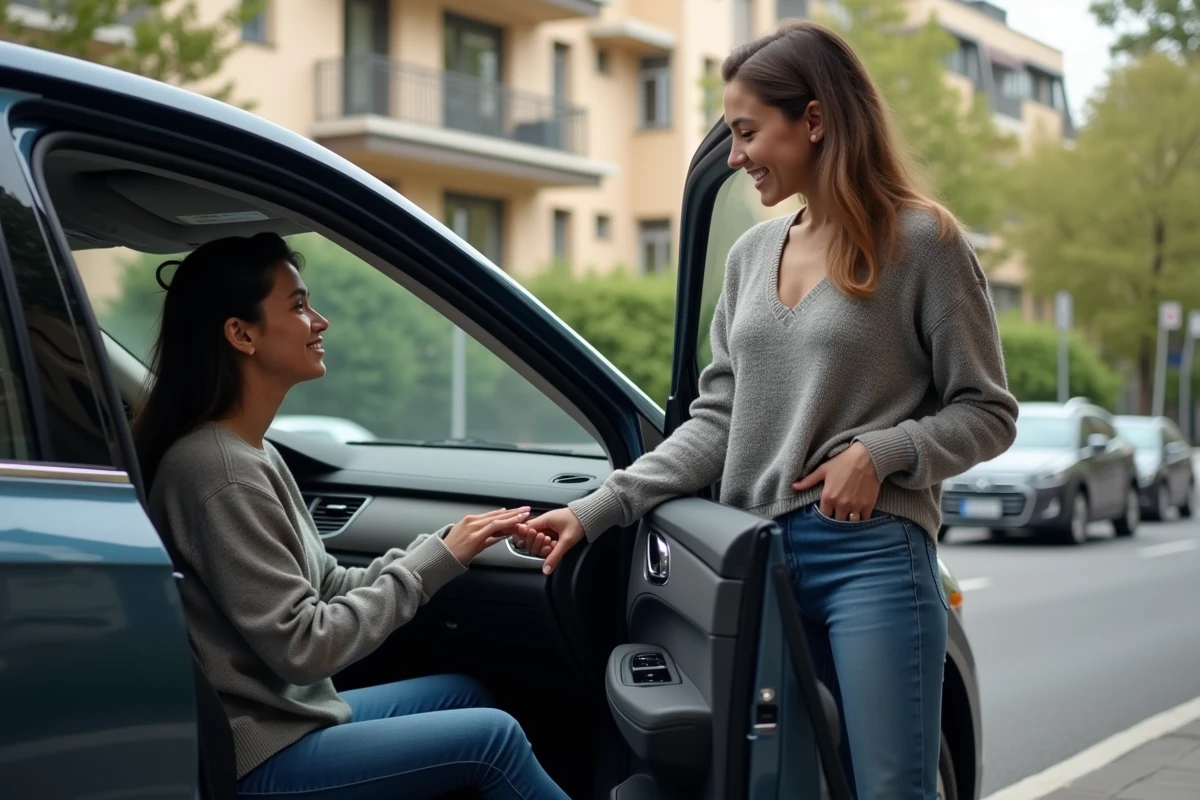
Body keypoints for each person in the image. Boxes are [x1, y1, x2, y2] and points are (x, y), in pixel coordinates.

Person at [527, 20, 1018, 800]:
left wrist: (881, 454)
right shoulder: (750, 256)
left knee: (890, 788)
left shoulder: (923, 242)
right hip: (755, 560)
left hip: (872, 561)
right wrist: (597, 510)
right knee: (775, 785)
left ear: (815, 120)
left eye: (749, 131)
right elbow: (717, 421)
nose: (735, 155)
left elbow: (988, 411)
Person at [136, 233, 567, 800]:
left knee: (464, 693)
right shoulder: (219, 471)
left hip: (285, 720)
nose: (320, 321)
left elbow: (327, 586)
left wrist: (448, 543)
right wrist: (430, 566)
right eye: (297, 306)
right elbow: (306, 647)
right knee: (492, 739)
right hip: (254, 754)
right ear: (241, 335)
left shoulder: (251, 451)